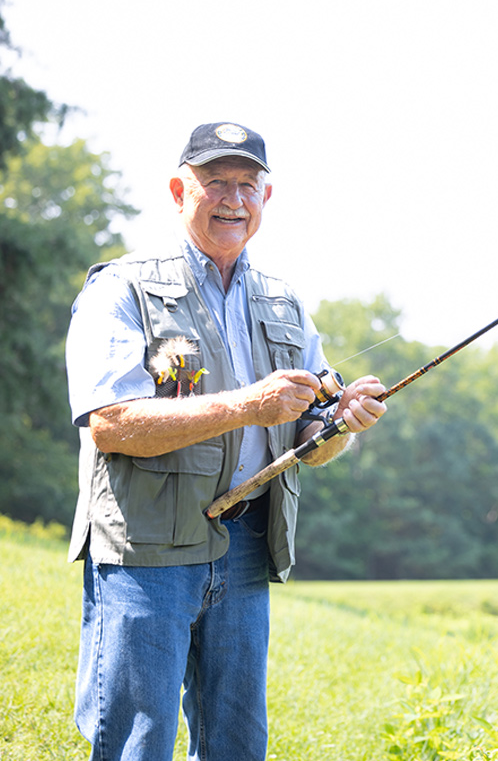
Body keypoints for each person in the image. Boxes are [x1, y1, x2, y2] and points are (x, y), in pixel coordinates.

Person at [64, 121, 387, 760]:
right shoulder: (120, 288)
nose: (233, 199)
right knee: (138, 740)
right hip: (145, 548)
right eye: (215, 183)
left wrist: (339, 425)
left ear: (268, 198)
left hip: (244, 550)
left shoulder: (287, 303)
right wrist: (248, 405)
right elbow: (112, 424)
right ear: (179, 190)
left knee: (238, 744)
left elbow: (307, 441)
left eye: (247, 184)